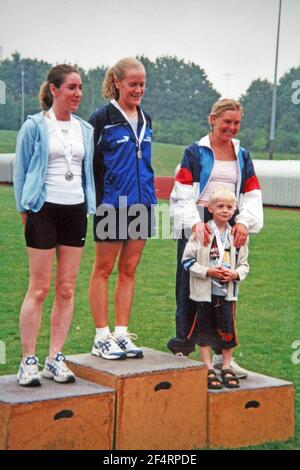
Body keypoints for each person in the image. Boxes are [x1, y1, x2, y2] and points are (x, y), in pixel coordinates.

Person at [168, 98, 263, 377]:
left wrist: (243, 223)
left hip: (229, 225)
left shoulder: (242, 155)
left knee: (225, 288)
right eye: (226, 122)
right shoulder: (195, 152)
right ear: (213, 119)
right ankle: (183, 350)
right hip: (197, 223)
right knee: (190, 285)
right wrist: (196, 223)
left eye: (236, 123)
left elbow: (252, 192)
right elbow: (182, 190)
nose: (231, 128)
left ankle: (225, 358)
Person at [13, 64, 95, 386]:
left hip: (75, 211)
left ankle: (55, 357)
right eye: (72, 87)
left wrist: (89, 203)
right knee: (40, 288)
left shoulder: (85, 129)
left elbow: (87, 170)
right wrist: (26, 212)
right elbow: (20, 172)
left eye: (80, 88)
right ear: (54, 90)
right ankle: (28, 359)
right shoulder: (35, 126)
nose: (78, 94)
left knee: (66, 287)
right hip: (42, 210)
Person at [89, 57, 157, 360]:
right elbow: (88, 164)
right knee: (103, 270)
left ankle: (121, 333)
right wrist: (94, 202)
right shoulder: (102, 118)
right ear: (117, 83)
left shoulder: (146, 118)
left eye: (142, 84)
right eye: (133, 84)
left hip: (142, 204)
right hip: (112, 204)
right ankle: (101, 336)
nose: (138, 89)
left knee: (129, 270)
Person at [182, 188, 249, 389]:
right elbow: (187, 261)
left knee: (227, 330)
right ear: (210, 208)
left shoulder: (238, 236)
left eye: (229, 207)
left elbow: (245, 264)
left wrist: (236, 274)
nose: (225, 210)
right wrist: (207, 271)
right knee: (204, 330)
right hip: (205, 293)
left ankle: (227, 366)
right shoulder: (201, 233)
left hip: (227, 293)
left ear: (235, 209)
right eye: (220, 206)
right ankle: (207, 366)